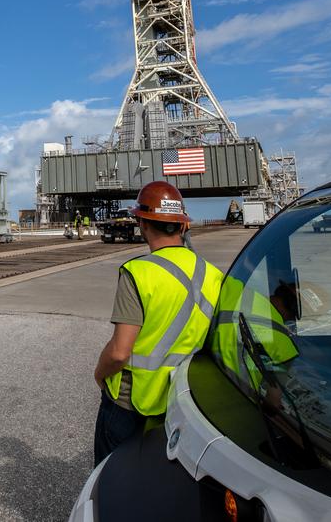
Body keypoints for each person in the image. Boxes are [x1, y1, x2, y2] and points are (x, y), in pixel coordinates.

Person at [92, 181, 223, 465]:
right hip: (183, 401)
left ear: (143, 224)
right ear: (183, 226)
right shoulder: (214, 275)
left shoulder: (138, 272)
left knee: (110, 480)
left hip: (131, 403)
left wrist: (99, 375)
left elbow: (119, 352)